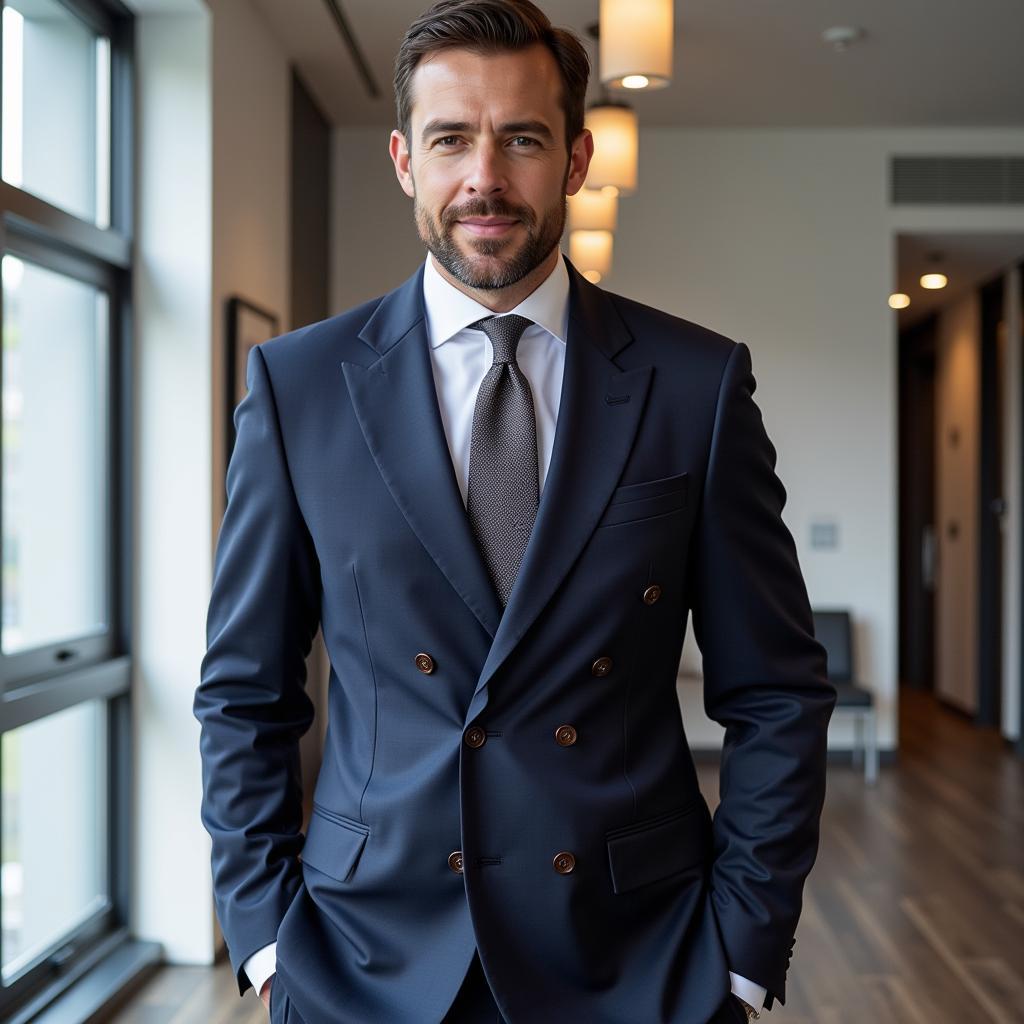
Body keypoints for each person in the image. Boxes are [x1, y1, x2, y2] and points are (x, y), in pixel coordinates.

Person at [193, 1, 837, 1021]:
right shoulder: (298, 385)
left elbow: (777, 691)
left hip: (637, 954)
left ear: (575, 158)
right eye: (451, 138)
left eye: (522, 139)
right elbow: (245, 692)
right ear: (404, 158)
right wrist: (268, 936)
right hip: (364, 957)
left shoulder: (693, 383)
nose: (484, 177)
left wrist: (741, 949)